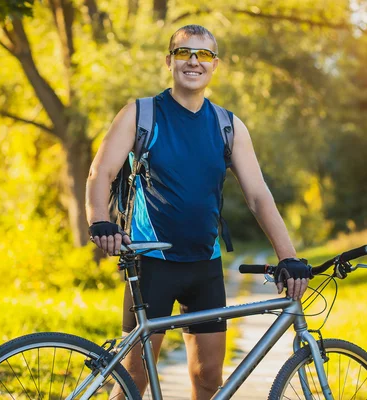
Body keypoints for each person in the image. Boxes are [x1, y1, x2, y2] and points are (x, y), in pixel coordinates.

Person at [85, 24, 311, 400]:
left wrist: (287, 255)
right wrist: (99, 220)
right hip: (150, 261)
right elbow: (100, 173)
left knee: (208, 378)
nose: (193, 61)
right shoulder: (141, 114)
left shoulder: (228, 125)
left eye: (203, 54)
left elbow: (258, 195)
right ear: (169, 62)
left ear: (215, 64)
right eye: (184, 52)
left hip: (205, 264)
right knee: (133, 381)